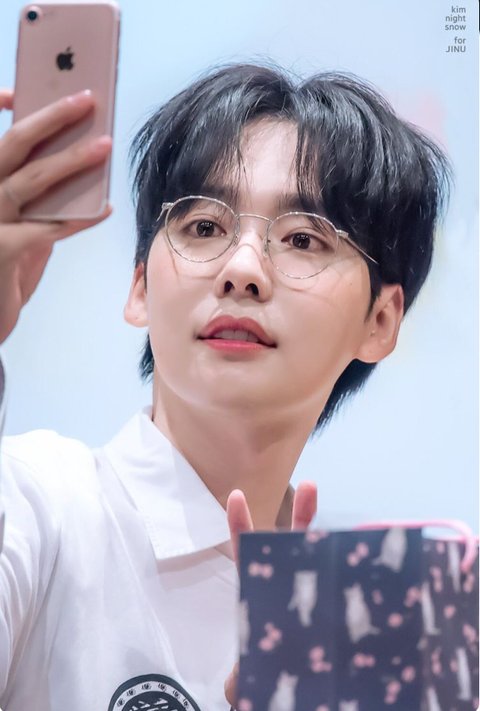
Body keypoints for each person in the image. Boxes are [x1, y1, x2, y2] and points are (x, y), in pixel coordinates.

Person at [0, 64, 450, 710]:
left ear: (380, 321)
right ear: (140, 286)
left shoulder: (379, 628)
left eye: (302, 238)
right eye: (204, 227)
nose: (242, 269)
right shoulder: (35, 504)